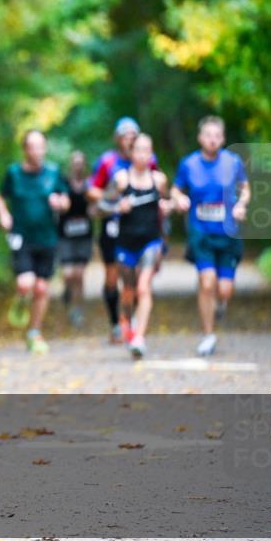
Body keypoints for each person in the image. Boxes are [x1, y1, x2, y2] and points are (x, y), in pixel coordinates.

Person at [171, 116, 250, 357]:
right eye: (208, 135)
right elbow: (176, 188)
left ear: (223, 139)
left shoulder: (233, 162)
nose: (212, 140)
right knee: (207, 283)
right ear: (200, 138)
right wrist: (179, 198)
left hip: (228, 234)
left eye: (217, 135)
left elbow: (245, 189)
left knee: (224, 289)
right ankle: (208, 335)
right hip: (201, 231)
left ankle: (221, 303)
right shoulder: (189, 164)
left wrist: (241, 205)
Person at [0, 130, 70, 354]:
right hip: (21, 236)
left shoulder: (53, 172)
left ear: (45, 148)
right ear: (25, 150)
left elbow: (66, 199)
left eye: (40, 146)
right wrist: (3, 214)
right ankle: (20, 299)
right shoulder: (14, 173)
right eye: (32, 147)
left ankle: (34, 331)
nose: (37, 151)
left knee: (41, 287)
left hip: (47, 237)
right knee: (25, 283)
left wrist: (60, 202)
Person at [87, 117, 158, 343]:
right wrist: (118, 201)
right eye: (124, 135)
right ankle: (116, 324)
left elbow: (156, 192)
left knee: (139, 282)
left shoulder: (150, 161)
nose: (128, 139)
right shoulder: (108, 162)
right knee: (113, 277)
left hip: (143, 227)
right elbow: (93, 192)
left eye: (132, 135)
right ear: (118, 139)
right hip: (114, 224)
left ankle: (134, 324)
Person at [102, 134, 171, 359]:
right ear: (131, 153)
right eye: (138, 150)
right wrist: (117, 206)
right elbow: (101, 204)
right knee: (128, 291)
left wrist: (169, 206)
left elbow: (168, 203)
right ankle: (126, 322)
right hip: (125, 243)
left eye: (147, 151)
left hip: (151, 241)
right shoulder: (121, 178)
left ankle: (139, 336)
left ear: (152, 154)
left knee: (144, 287)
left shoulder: (159, 180)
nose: (142, 155)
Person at [58, 150, 94, 328]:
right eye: (75, 162)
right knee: (67, 274)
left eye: (81, 162)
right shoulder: (63, 184)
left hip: (84, 235)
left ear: (84, 165)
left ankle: (77, 309)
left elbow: (96, 205)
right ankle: (67, 291)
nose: (78, 166)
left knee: (79, 274)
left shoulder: (90, 185)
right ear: (71, 164)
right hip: (65, 235)